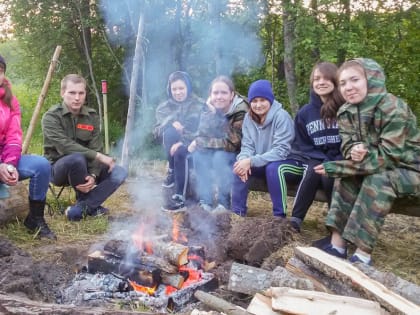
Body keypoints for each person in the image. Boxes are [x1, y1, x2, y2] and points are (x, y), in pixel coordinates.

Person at [313, 58, 420, 265]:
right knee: (347, 178)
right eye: (343, 83)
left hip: (410, 170)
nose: (348, 87)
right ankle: (337, 246)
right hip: (375, 167)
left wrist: (338, 166)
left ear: (371, 80)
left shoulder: (393, 108)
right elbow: (346, 144)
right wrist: (353, 150)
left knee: (379, 179)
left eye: (355, 80)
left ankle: (362, 255)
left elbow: (388, 158)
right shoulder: (346, 111)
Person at [42, 74, 127, 221]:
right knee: (77, 158)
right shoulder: (51, 117)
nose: (77, 98)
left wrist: (94, 175)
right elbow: (65, 146)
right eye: (72, 93)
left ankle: (83, 208)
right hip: (58, 169)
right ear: (63, 93)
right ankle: (90, 206)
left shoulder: (91, 116)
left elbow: (96, 146)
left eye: (81, 93)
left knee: (119, 172)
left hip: (86, 168)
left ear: (85, 94)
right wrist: (98, 157)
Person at [0, 54, 56, 239]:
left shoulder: (10, 101)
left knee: (40, 165)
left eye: (0, 71)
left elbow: (14, 137)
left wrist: (9, 164)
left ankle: (35, 219)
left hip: (5, 157)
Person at [286, 62, 345, 232]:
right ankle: (296, 220)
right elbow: (303, 143)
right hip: (316, 157)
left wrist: (336, 160)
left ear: (335, 81)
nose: (321, 82)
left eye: (326, 78)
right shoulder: (305, 112)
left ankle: (335, 225)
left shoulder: (344, 108)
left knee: (329, 176)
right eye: (317, 79)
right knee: (312, 172)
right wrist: (322, 159)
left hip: (341, 158)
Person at [231, 79, 294, 217]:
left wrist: (251, 161)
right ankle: (237, 214)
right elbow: (247, 146)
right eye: (254, 101)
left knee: (273, 168)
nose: (258, 105)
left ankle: (279, 219)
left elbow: (281, 151)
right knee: (238, 167)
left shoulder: (281, 117)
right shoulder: (249, 118)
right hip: (262, 162)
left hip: (287, 162)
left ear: (270, 100)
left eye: (262, 100)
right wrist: (243, 160)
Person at [188, 76, 249, 212]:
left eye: (224, 93)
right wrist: (211, 113)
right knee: (199, 155)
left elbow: (234, 143)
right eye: (215, 93)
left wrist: (200, 142)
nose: (219, 97)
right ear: (210, 95)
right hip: (217, 147)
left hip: (240, 152)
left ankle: (223, 203)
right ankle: (206, 202)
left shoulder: (241, 110)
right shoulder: (208, 108)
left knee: (220, 157)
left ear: (232, 94)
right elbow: (203, 133)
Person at [154, 71, 205, 211]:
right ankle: (172, 170)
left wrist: (184, 141)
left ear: (188, 87)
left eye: (181, 88)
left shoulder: (200, 105)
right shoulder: (163, 108)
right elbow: (157, 132)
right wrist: (170, 122)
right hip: (174, 150)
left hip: (195, 146)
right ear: (169, 90)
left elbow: (205, 130)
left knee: (181, 151)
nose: (178, 92)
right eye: (174, 89)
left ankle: (183, 196)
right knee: (170, 133)